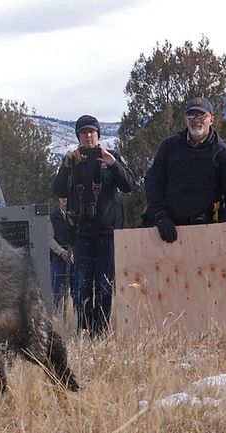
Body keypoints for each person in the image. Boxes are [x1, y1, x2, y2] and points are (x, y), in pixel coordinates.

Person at [52, 114, 135, 337]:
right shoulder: (72, 160)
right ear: (78, 136)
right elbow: (59, 190)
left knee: (105, 285)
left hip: (107, 232)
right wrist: (66, 168)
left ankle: (102, 331)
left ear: (98, 135)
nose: (88, 136)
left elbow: (129, 185)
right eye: (83, 133)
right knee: (82, 285)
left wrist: (114, 165)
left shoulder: (112, 156)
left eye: (92, 132)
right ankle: (84, 329)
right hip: (81, 233)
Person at [144, 97, 226, 243]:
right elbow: (153, 182)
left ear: (211, 119)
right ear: (185, 119)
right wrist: (160, 216)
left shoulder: (223, 154)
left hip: (209, 233)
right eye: (191, 115)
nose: (196, 120)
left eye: (202, 115)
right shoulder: (169, 148)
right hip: (169, 232)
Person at [49, 197, 76, 313]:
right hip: (58, 258)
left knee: (77, 292)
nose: (65, 199)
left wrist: (73, 253)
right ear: (59, 199)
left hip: (76, 258)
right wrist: (61, 252)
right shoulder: (52, 217)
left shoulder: (77, 215)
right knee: (55, 292)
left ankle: (78, 322)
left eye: (66, 196)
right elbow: (49, 238)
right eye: (62, 197)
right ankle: (54, 321)